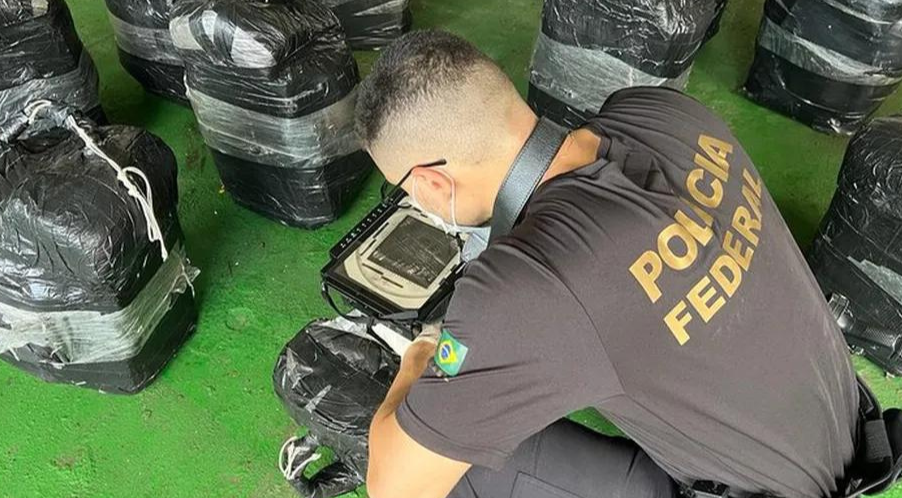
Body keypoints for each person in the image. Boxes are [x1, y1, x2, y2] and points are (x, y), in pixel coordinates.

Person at [354, 29, 864, 498]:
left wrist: (420, 358)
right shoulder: (659, 110)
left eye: (404, 190)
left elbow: (395, 488)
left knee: (450, 459)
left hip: (779, 492)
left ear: (430, 183)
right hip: (843, 424)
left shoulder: (529, 288)